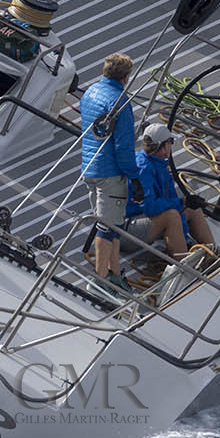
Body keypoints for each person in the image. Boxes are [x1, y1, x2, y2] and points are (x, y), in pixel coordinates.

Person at [79, 52, 143, 296]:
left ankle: (115, 276)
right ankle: (99, 282)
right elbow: (123, 148)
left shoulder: (90, 93)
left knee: (113, 226)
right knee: (106, 229)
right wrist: (134, 178)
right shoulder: (120, 104)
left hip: (89, 168)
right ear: (126, 77)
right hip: (110, 174)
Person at [126, 123, 215, 260]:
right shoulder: (143, 168)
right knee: (171, 216)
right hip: (126, 230)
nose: (171, 146)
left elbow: (172, 201)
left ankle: (212, 254)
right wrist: (181, 202)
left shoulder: (159, 164)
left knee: (193, 209)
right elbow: (149, 208)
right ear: (164, 146)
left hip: (143, 219)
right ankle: (184, 267)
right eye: (170, 142)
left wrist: (184, 206)